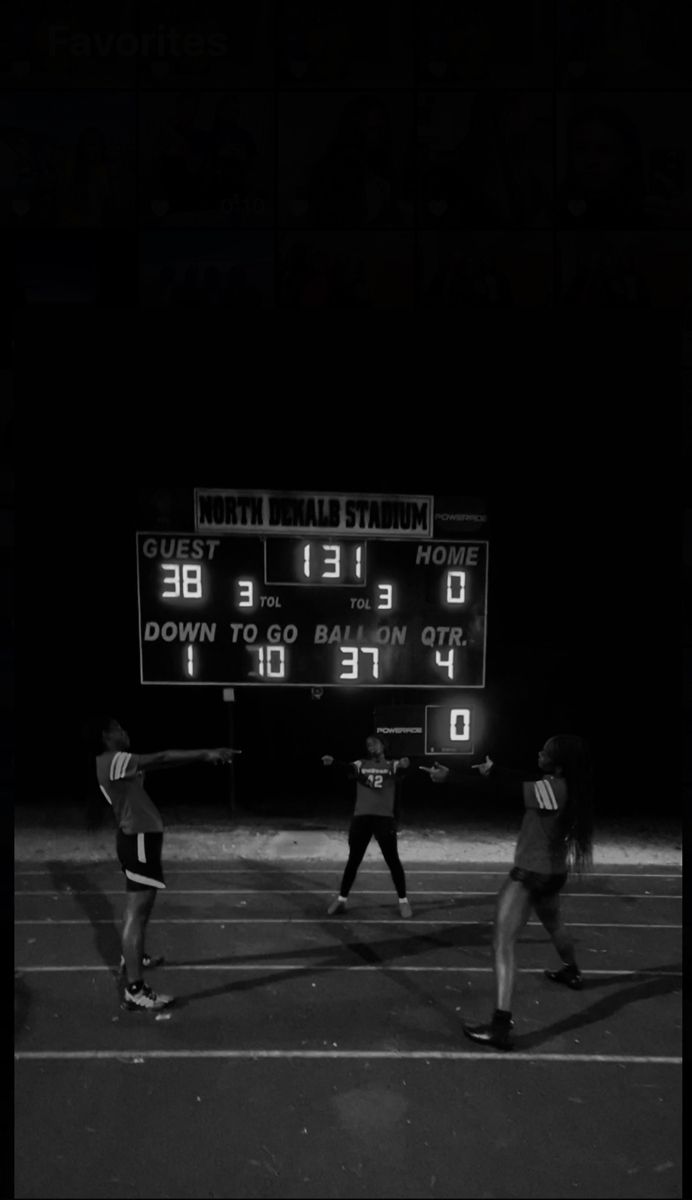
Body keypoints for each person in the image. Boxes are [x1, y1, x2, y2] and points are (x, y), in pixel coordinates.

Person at [421, 735, 594, 1049]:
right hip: (554, 873)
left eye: (545, 751)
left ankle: (501, 1026)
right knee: (554, 924)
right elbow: (519, 780)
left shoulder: (551, 790)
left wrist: (451, 778)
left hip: (531, 873)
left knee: (502, 942)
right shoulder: (563, 786)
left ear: (557, 763)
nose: (539, 752)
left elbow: (505, 791)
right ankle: (572, 971)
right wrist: (494, 768)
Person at [93, 716, 239, 1012]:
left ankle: (133, 956)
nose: (126, 731)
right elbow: (160, 756)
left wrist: (201, 758)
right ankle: (135, 989)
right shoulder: (113, 760)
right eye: (120, 728)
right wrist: (204, 752)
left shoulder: (118, 763)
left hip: (137, 839)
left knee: (139, 909)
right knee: (137, 910)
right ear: (108, 735)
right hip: (138, 841)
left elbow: (159, 763)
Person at [322, 735, 412, 917]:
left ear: (383, 746)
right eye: (368, 744)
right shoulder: (361, 764)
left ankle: (403, 901)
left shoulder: (391, 765)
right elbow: (347, 767)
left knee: (392, 860)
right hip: (361, 818)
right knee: (353, 860)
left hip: (384, 819)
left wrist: (405, 763)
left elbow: (402, 769)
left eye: (375, 743)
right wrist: (333, 762)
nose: (371, 746)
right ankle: (341, 900)